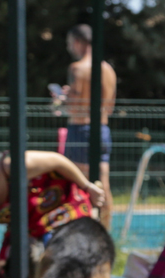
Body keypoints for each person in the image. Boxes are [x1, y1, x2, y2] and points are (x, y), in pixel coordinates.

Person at [59, 24, 116, 230]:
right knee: (104, 184)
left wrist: (63, 98)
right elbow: (109, 107)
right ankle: (106, 231)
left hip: (80, 130)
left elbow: (74, 107)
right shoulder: (108, 70)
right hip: (102, 129)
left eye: (69, 43)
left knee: (75, 184)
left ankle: (77, 230)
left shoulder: (77, 68)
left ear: (78, 42)